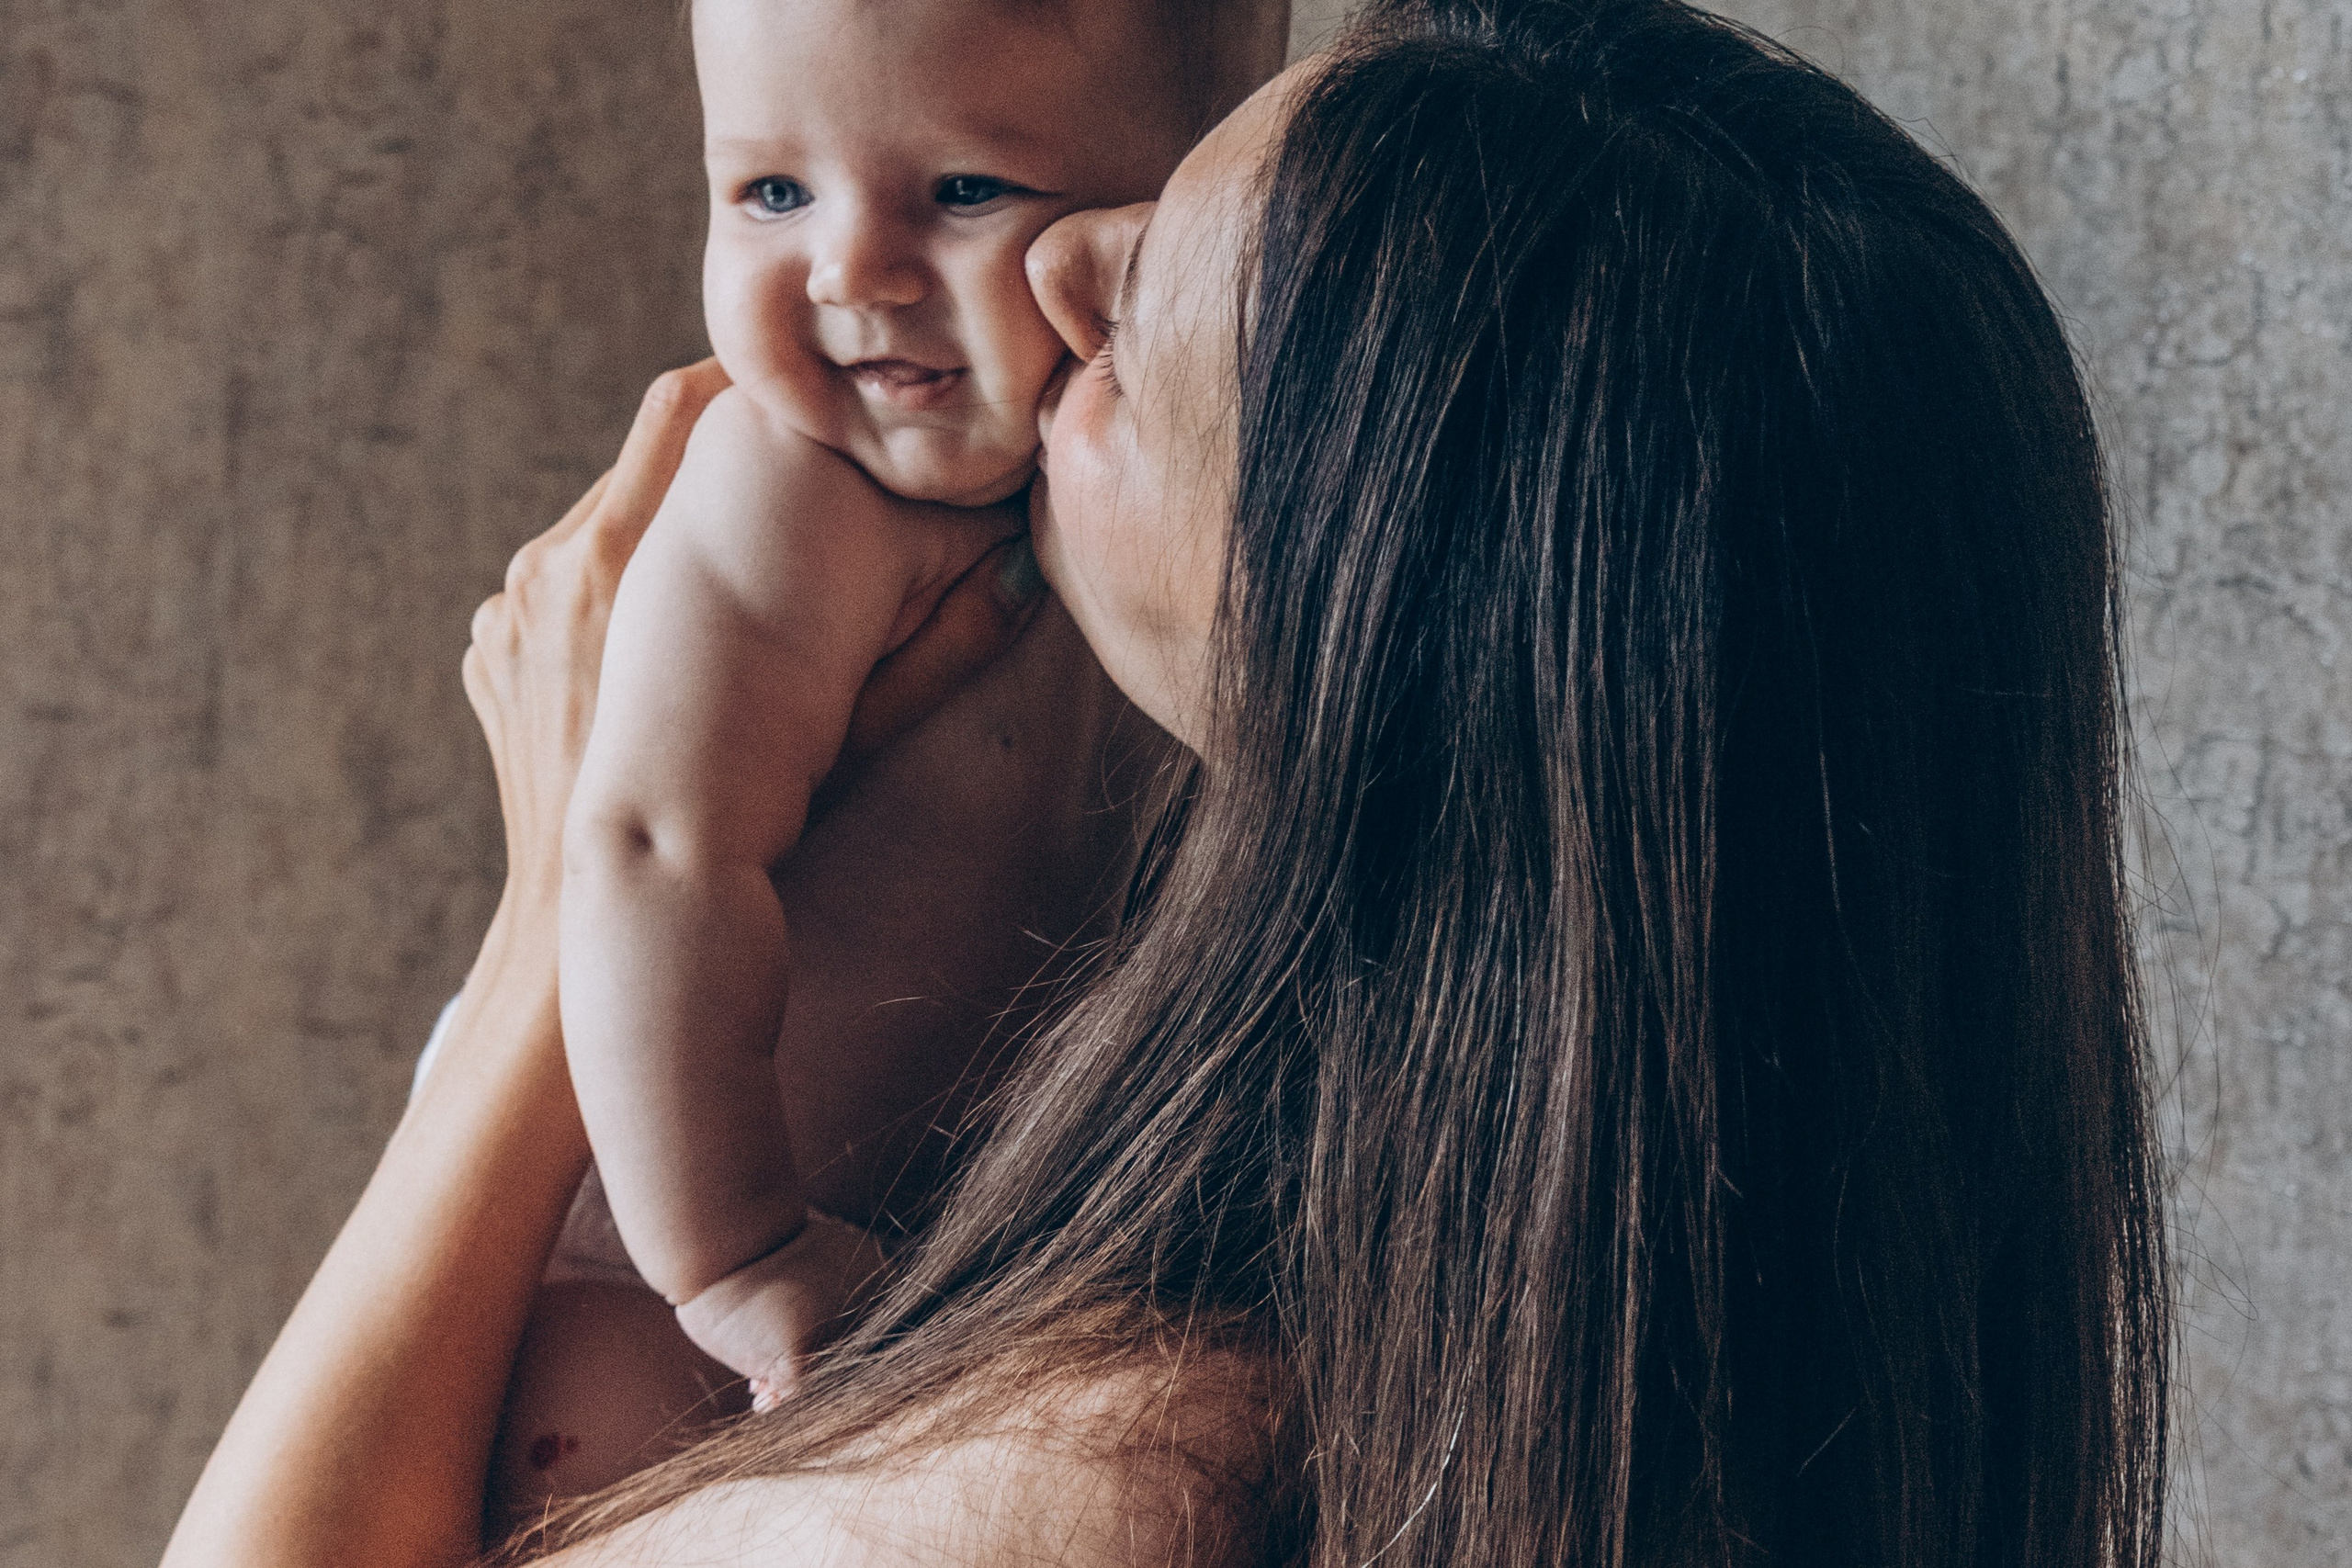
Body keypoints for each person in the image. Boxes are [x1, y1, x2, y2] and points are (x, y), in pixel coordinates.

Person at [163, 2, 2172, 1565]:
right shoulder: (1637, 1327)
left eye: (1135, 302)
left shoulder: (1127, 1476)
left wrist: (543, 930)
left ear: (1366, 642)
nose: (1049, 284)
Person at [558, 0, 1289, 1415]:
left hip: (939, 1240)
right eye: (774, 190)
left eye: (964, 191)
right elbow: (652, 850)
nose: (851, 269)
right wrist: (735, 1254)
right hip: (657, 1240)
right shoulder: (791, 492)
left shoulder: (1162, 503)